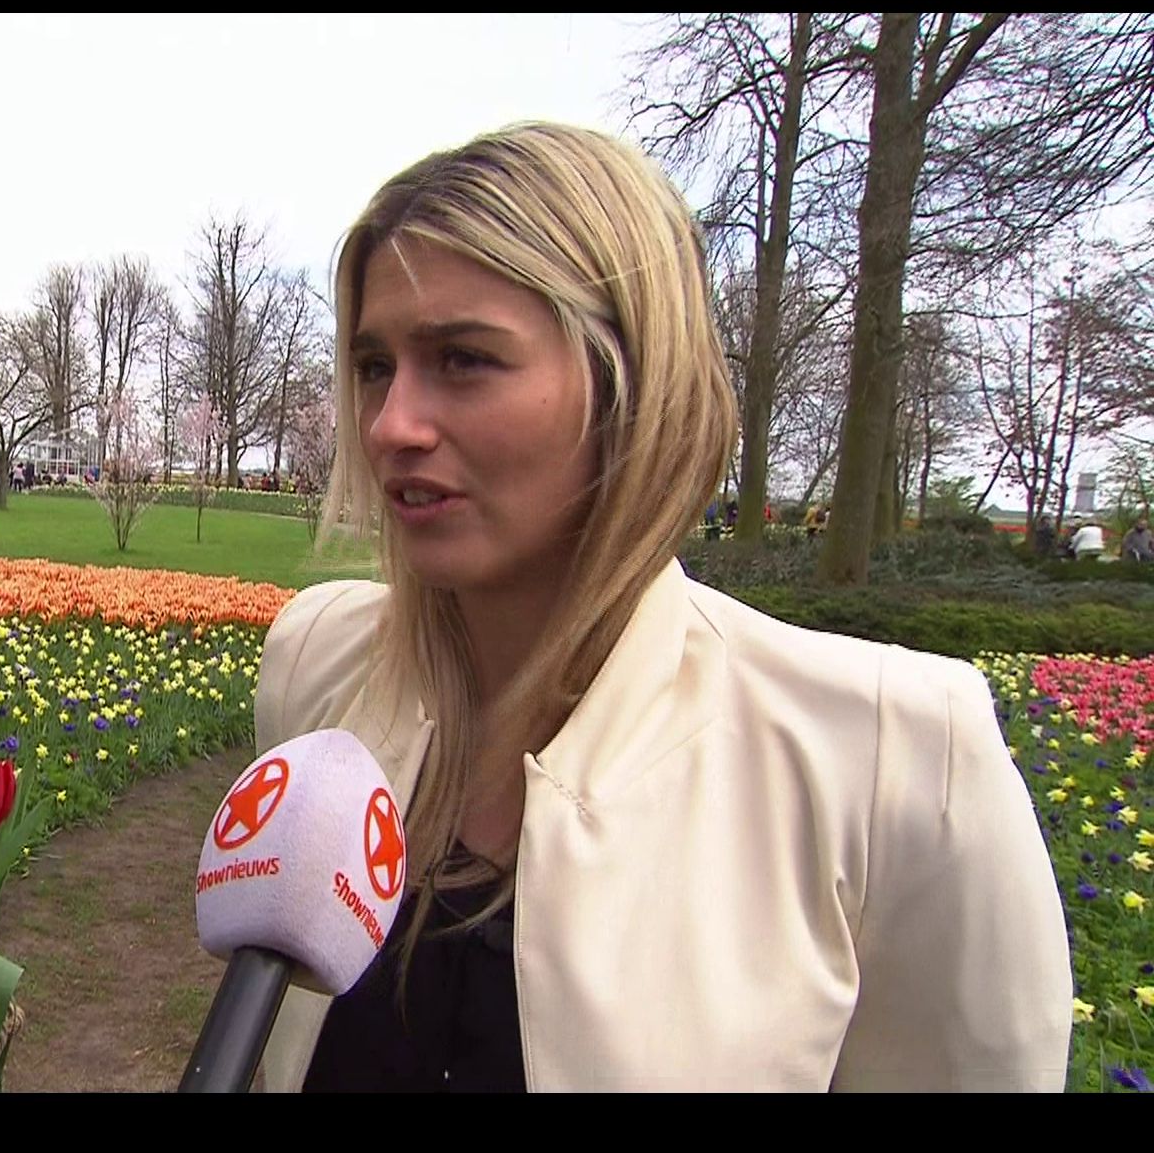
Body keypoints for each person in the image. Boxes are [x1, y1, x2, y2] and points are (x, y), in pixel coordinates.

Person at [256, 122, 1069, 1093]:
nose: (392, 424)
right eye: (374, 367)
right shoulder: (321, 667)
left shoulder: (888, 760)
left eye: (463, 359)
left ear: (631, 383)